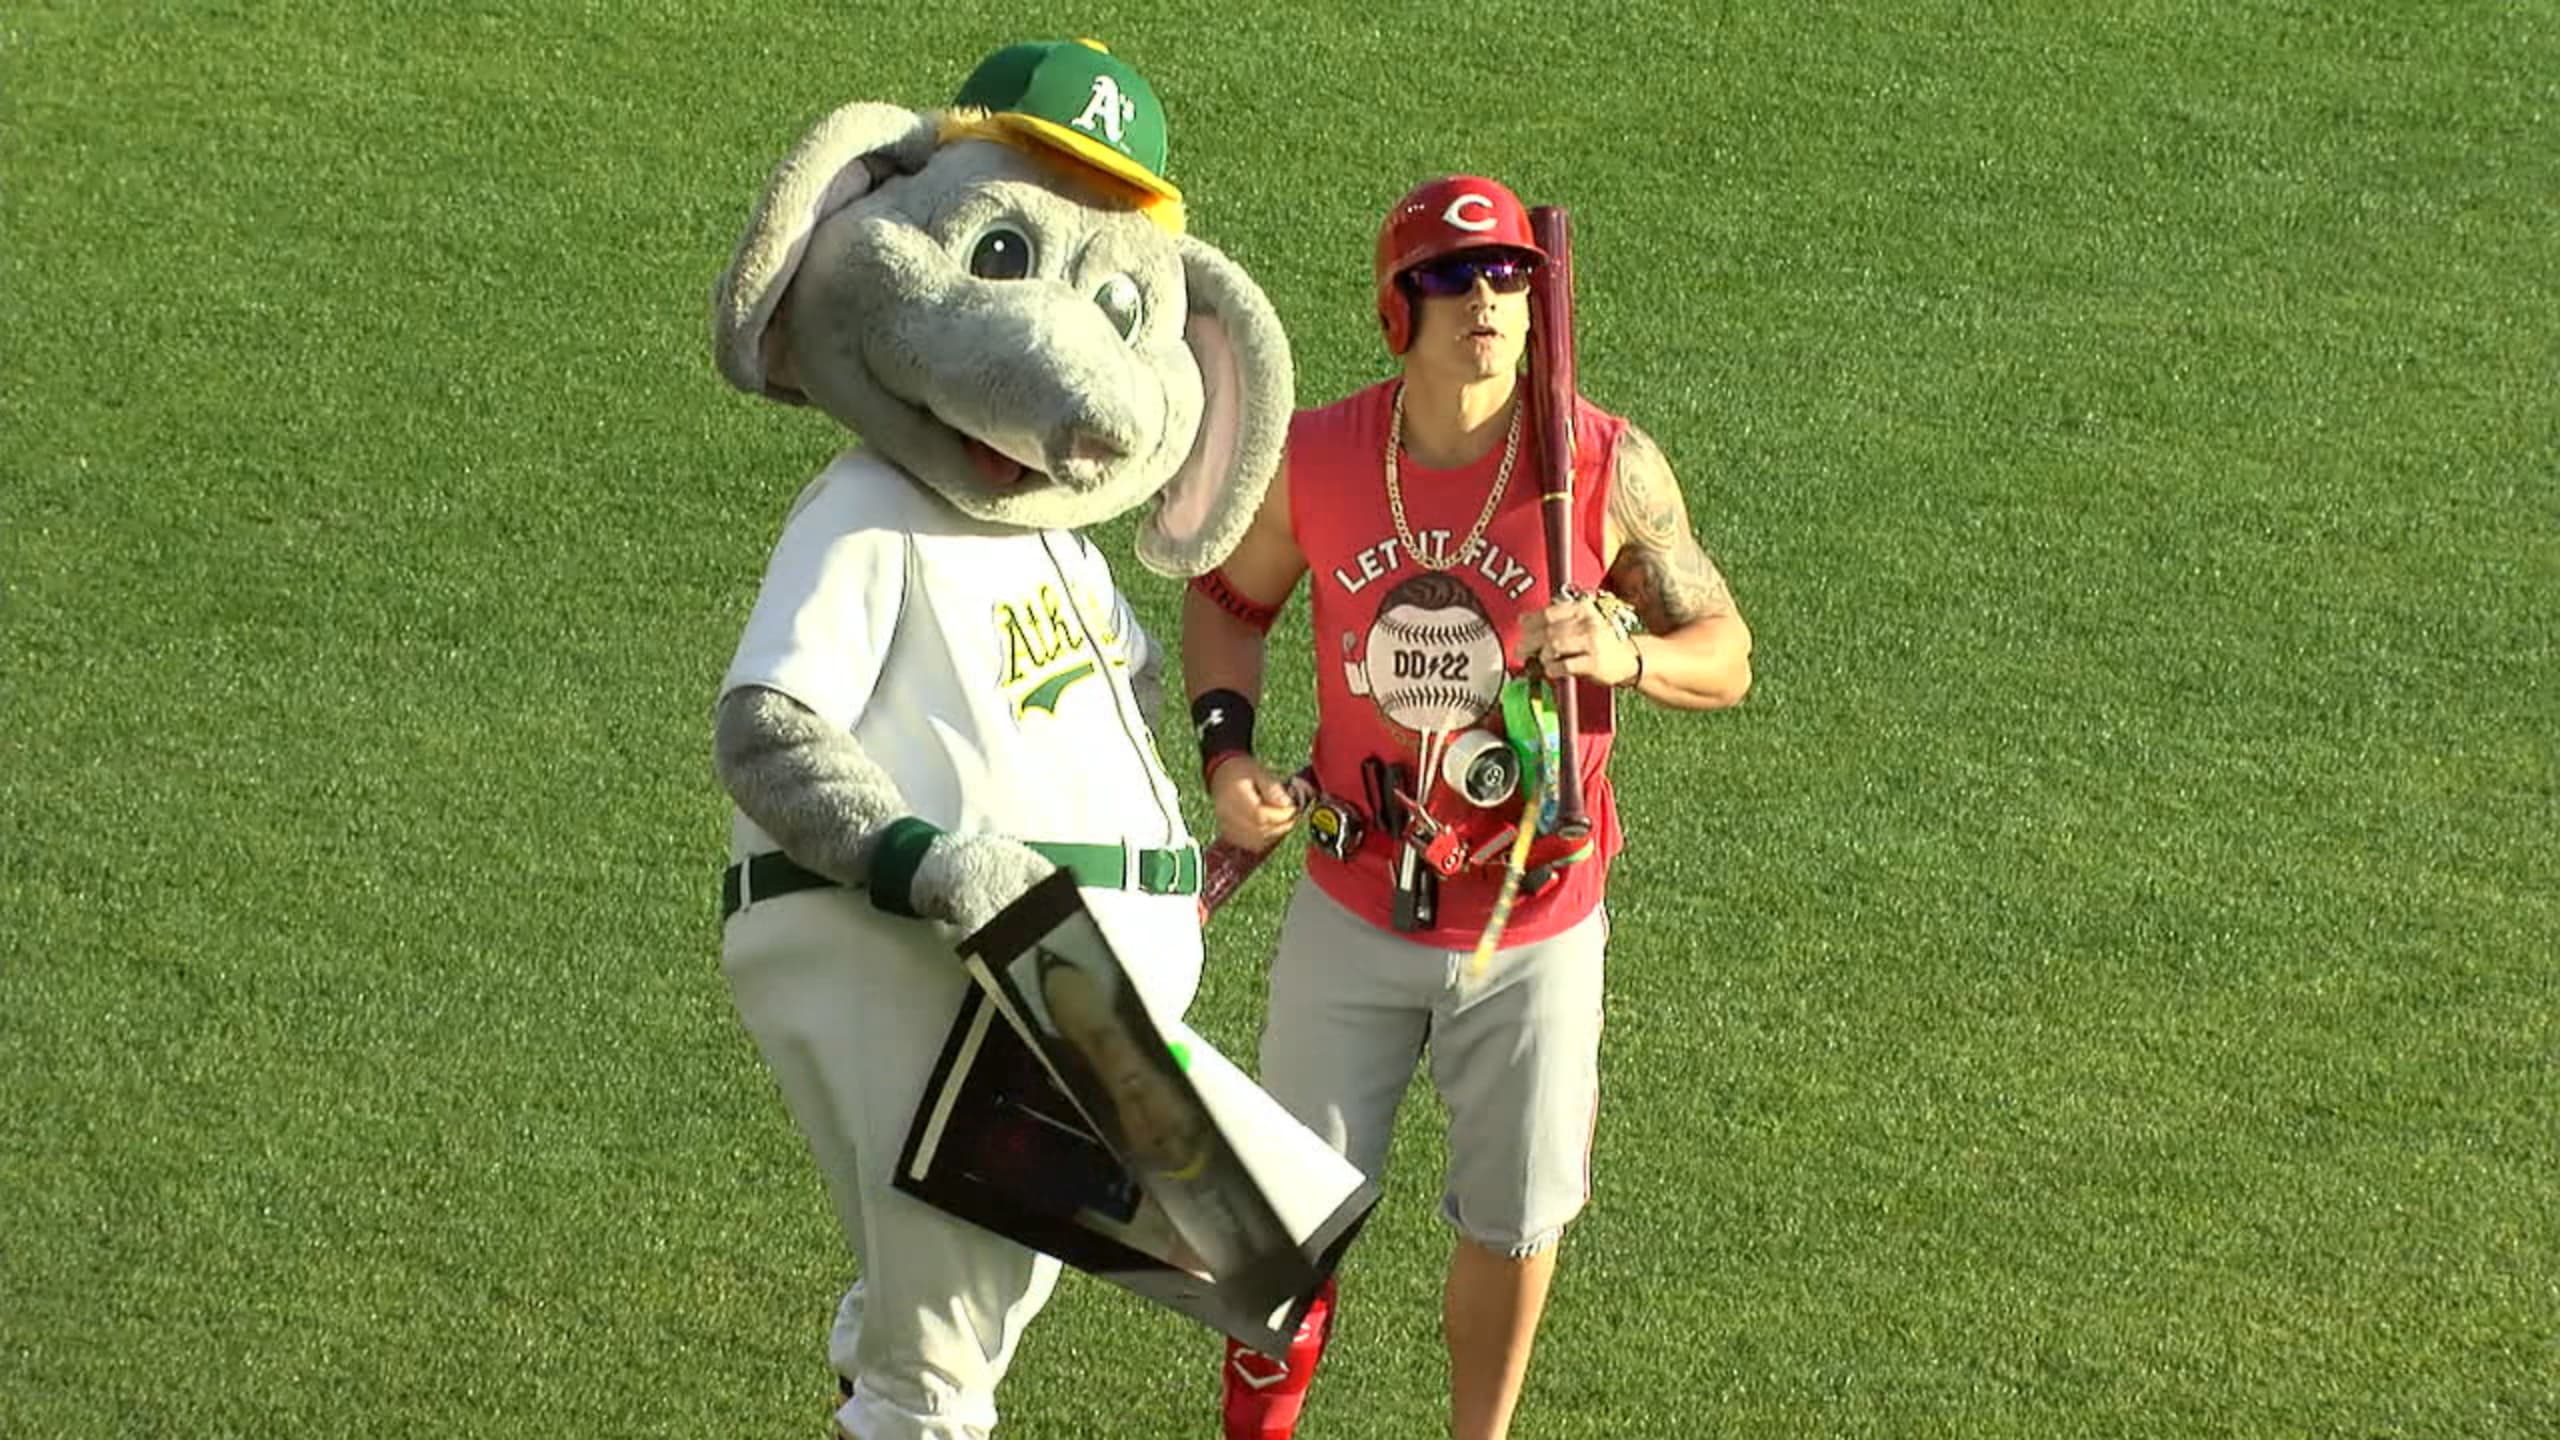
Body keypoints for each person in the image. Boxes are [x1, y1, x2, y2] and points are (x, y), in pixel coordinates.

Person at [1181, 175, 1753, 1440]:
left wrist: (1628, 653)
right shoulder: (1323, 457)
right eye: (1451, 276)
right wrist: (1230, 761)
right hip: (1354, 904)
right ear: (1401, 302)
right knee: (1277, 1221)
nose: (1484, 301)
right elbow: (1226, 604)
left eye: (1507, 278)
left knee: (1514, 1218)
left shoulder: (1603, 465)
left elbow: (1727, 648)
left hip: (1534, 922)